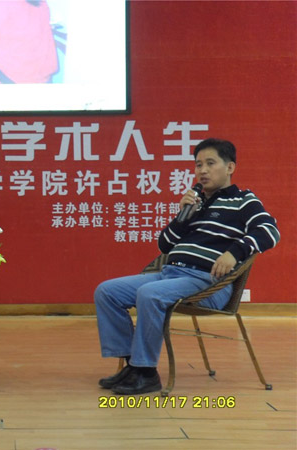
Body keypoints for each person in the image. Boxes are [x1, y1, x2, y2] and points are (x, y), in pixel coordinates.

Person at [94, 138, 280, 395]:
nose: (202, 170)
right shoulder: (195, 205)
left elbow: (269, 231)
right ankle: (133, 365)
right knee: (107, 291)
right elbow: (164, 245)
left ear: (230, 167)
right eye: (198, 165)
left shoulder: (243, 200)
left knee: (149, 294)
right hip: (170, 274)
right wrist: (182, 217)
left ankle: (146, 372)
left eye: (210, 163)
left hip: (207, 282)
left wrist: (233, 252)